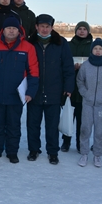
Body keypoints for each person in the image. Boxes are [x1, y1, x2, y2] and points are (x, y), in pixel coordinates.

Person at [0, 16, 39, 164]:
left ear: (19, 30)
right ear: (3, 30)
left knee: (13, 125)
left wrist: (30, 92)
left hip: (16, 95)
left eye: (14, 28)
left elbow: (34, 72)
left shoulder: (28, 48)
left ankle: (12, 152)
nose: (11, 31)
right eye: (8, 28)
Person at [27, 14, 75, 164]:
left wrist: (68, 87)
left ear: (52, 27)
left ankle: (53, 151)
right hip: (34, 91)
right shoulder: (30, 43)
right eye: (41, 26)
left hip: (54, 91)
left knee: (52, 125)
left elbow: (68, 67)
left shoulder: (61, 43)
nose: (44, 29)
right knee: (33, 124)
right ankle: (34, 150)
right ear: (36, 27)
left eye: (47, 26)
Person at [76, 38, 102, 167]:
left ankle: (97, 155)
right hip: (87, 103)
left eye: (100, 49)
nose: (98, 51)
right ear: (92, 50)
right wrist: (85, 93)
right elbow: (80, 81)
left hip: (101, 104)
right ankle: (84, 153)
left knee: (99, 131)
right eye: (95, 49)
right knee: (85, 128)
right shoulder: (86, 65)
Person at [62, 21, 93, 153]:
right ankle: (66, 141)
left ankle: (81, 143)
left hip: (85, 89)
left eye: (84, 29)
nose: (81, 31)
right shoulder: (68, 45)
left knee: (82, 119)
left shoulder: (92, 46)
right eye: (79, 29)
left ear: (88, 31)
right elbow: (63, 62)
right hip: (71, 87)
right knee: (68, 117)